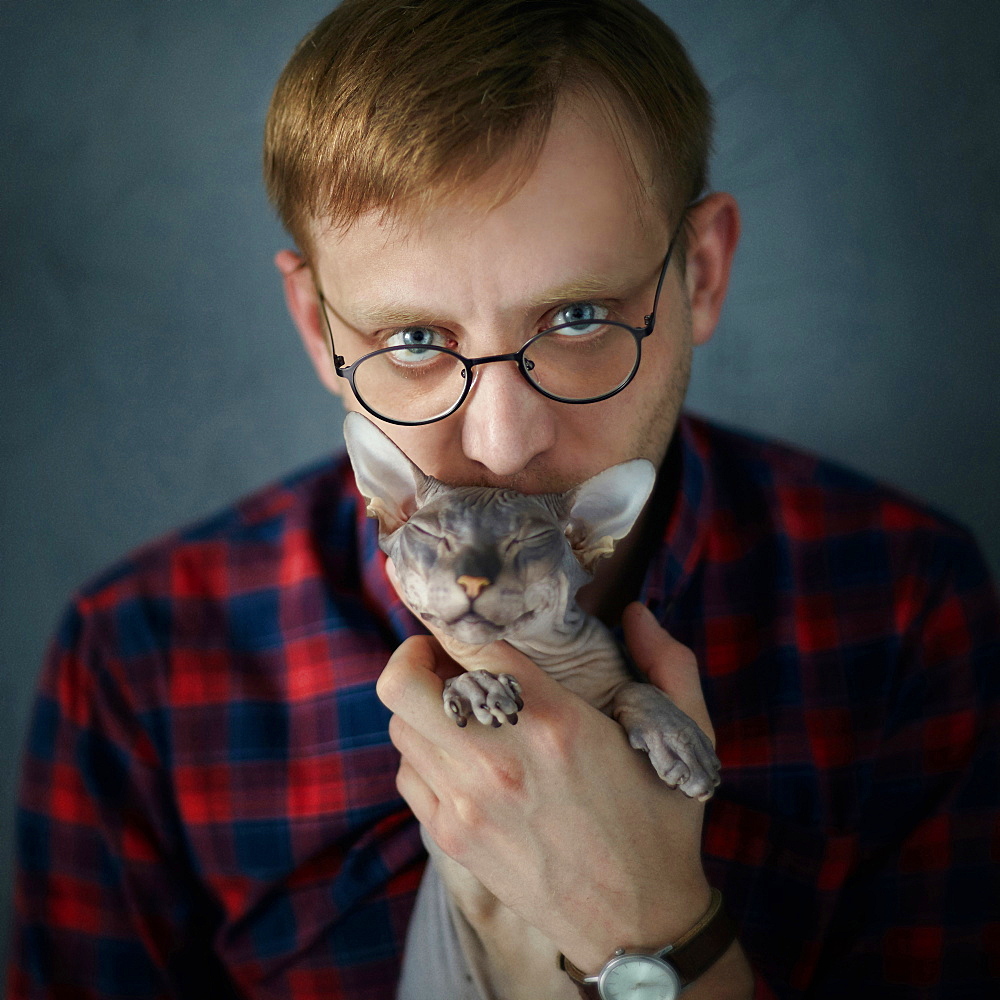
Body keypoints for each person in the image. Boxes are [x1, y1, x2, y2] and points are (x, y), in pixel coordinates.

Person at [7, 1, 999, 997]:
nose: (500, 441)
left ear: (697, 275)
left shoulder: (905, 605)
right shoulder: (135, 661)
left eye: (577, 316)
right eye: (412, 340)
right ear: (318, 328)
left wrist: (650, 926)